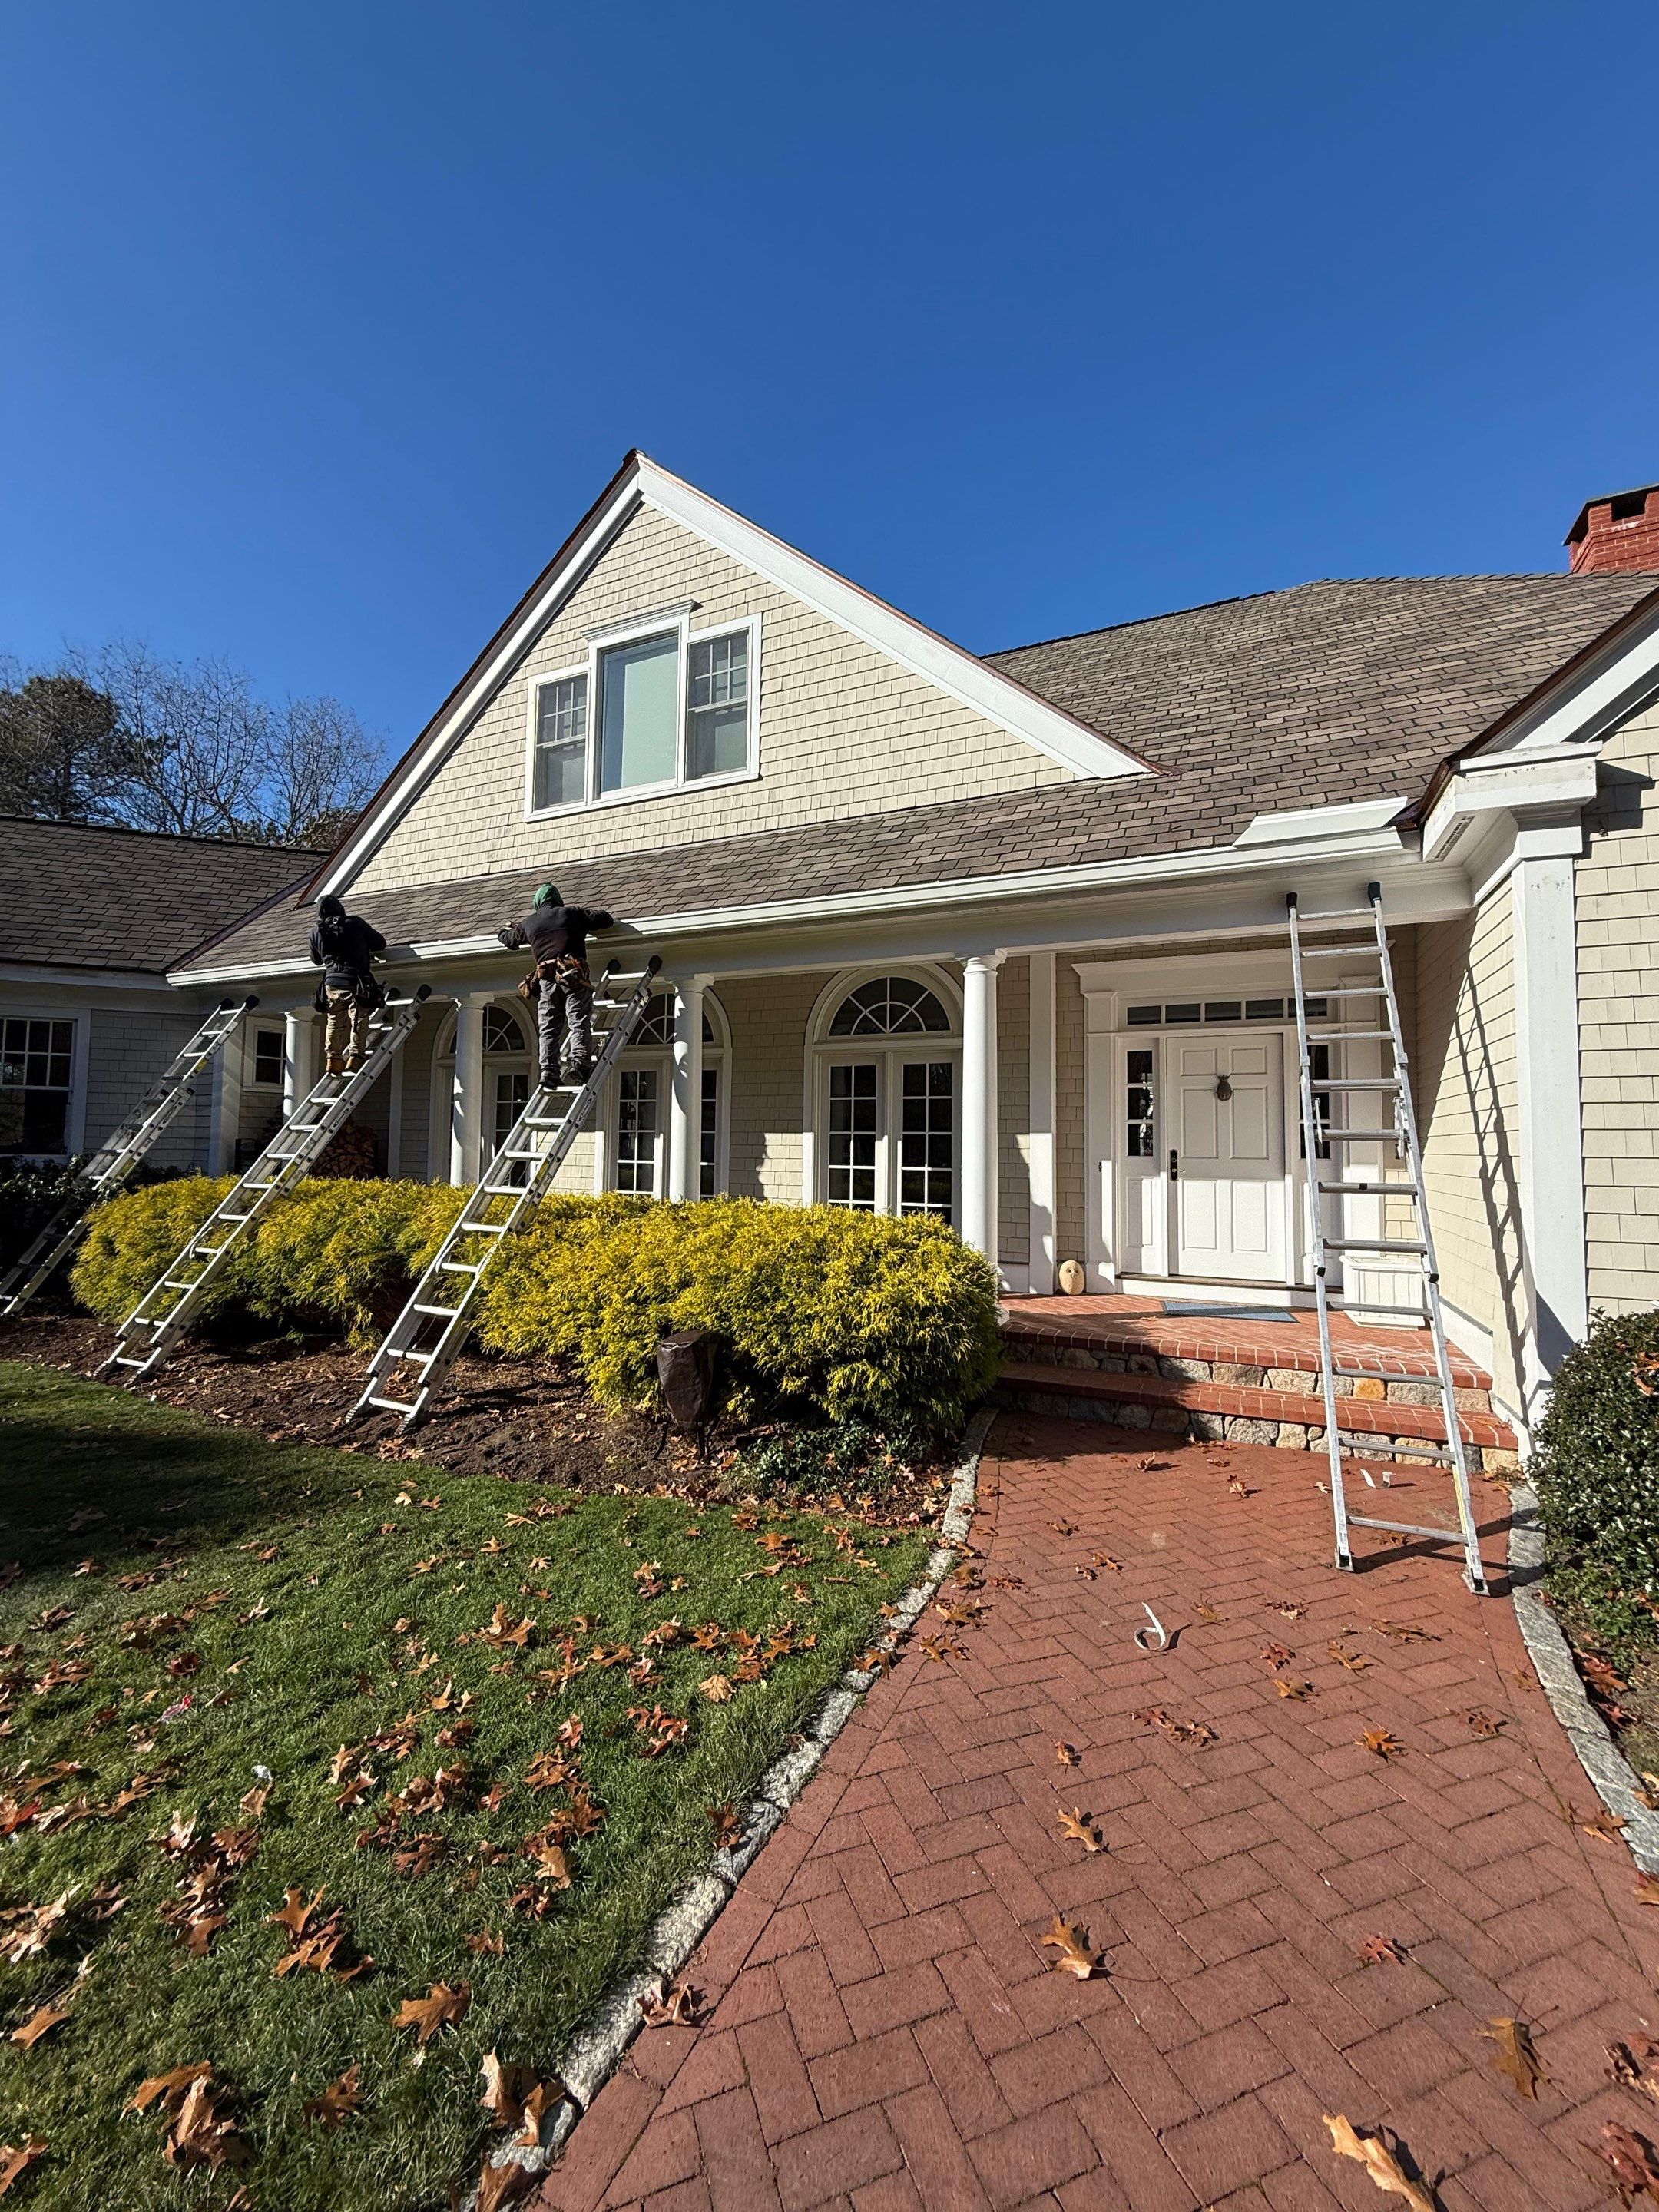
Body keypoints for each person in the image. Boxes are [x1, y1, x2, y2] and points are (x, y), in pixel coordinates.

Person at [498, 882, 614, 1089]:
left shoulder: (529, 923)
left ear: (538, 902)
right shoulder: (571, 914)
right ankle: (580, 1063)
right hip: (573, 977)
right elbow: (606, 919)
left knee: (549, 1029)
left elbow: (510, 940)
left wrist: (505, 930)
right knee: (578, 1021)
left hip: (547, 982)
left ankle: (549, 1071)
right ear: (557, 899)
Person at [309, 894, 387, 1075]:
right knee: (358, 1018)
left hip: (331, 984)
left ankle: (333, 1059)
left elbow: (316, 960)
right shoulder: (354, 924)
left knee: (334, 1020)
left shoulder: (316, 931)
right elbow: (380, 943)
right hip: (354, 981)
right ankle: (355, 1057)